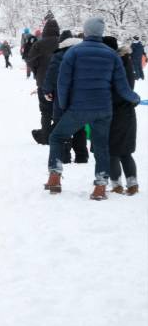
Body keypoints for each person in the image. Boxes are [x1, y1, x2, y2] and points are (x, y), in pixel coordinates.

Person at [44, 17, 140, 200]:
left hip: (78, 108)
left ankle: (55, 176)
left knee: (56, 137)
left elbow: (63, 82)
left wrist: (64, 106)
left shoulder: (73, 52)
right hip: (103, 109)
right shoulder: (111, 55)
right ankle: (100, 187)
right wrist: (134, 98)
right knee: (102, 147)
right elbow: (122, 86)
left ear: (86, 31)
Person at [41, 35, 87, 164]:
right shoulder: (84, 54)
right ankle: (82, 156)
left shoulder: (59, 55)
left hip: (62, 95)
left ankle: (64, 156)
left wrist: (47, 90)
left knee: (61, 125)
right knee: (79, 126)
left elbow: (51, 75)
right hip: (80, 96)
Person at [104, 37, 138, 195]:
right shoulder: (126, 61)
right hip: (128, 112)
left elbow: (114, 90)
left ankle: (116, 184)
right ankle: (133, 184)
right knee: (125, 152)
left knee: (112, 151)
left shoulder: (111, 64)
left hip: (113, 112)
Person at [28, 19, 60, 144]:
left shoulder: (38, 44)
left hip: (43, 82)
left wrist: (37, 73)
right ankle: (58, 135)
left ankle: (46, 137)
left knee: (45, 112)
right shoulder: (61, 42)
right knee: (59, 110)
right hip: (60, 83)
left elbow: (31, 61)